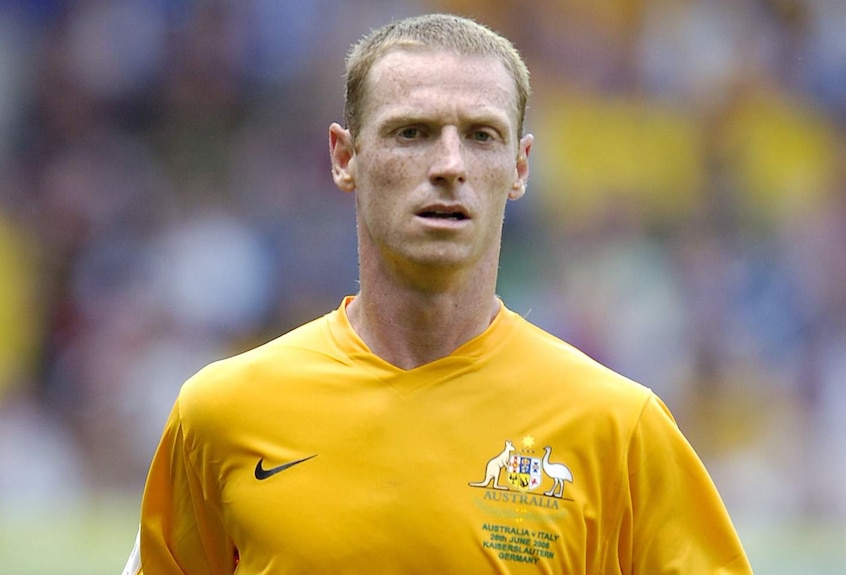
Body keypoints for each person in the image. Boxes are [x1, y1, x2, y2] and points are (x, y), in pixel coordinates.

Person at [123, 13, 753, 574]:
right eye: (413, 132)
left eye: (482, 135)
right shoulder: (221, 414)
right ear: (344, 157)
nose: (450, 163)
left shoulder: (618, 429)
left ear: (520, 167)